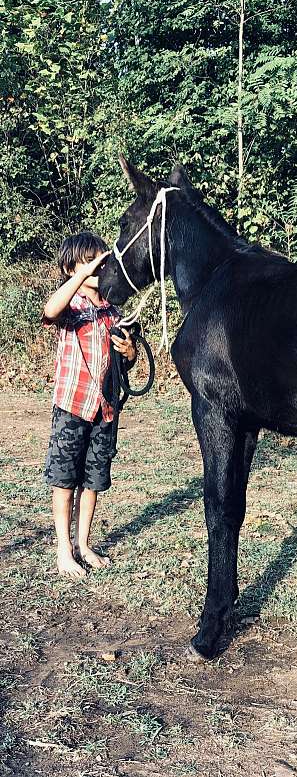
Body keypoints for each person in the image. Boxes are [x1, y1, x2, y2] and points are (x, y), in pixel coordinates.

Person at [42, 232, 136, 578]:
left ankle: (83, 543)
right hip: (73, 405)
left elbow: (123, 360)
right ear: (70, 268)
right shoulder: (71, 306)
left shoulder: (113, 311)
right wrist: (80, 276)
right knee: (65, 478)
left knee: (94, 479)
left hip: (105, 409)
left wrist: (130, 354)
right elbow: (50, 310)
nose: (99, 266)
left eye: (101, 259)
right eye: (89, 260)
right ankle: (63, 549)